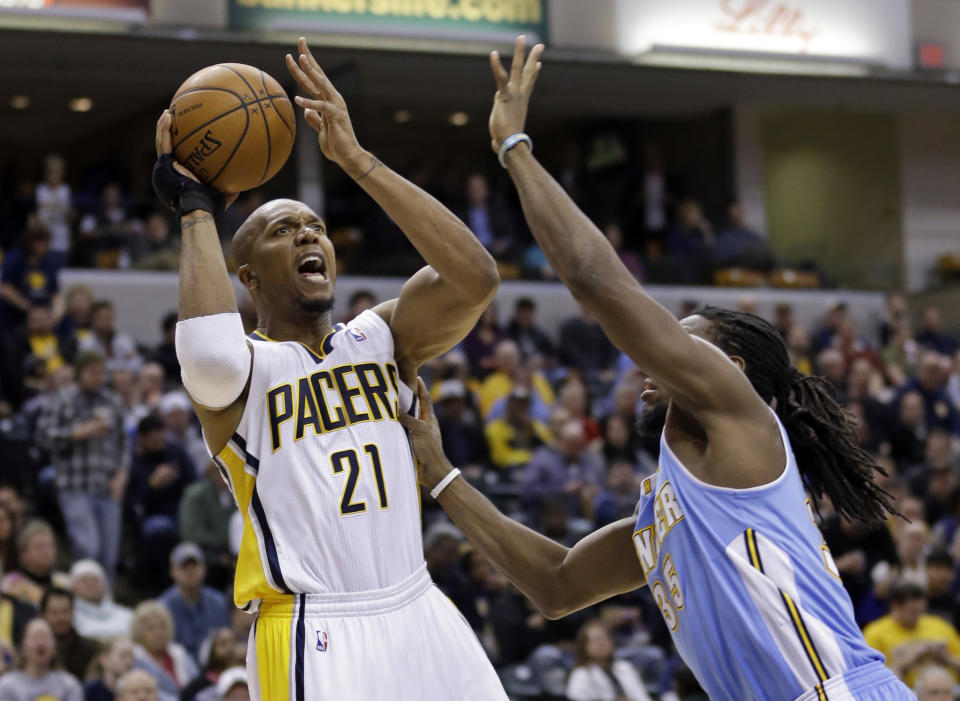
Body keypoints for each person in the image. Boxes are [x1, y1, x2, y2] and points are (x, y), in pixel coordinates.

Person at [397, 36, 914, 701]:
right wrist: (441, 476)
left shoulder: (739, 419)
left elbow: (596, 281)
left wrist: (513, 149)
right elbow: (556, 584)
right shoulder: (668, 512)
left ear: (725, 366)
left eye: (683, 339)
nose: (653, 352)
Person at [150, 36, 506, 701]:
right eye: (286, 229)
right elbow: (207, 353)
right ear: (248, 275)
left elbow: (475, 277)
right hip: (314, 625)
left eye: (316, 225)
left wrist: (358, 159)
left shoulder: (379, 337)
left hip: (418, 603)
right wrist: (195, 208)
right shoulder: (245, 369)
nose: (311, 234)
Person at [37, 351, 127, 580]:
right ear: (79, 373)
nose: (98, 377)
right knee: (88, 548)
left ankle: (104, 606)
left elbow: (124, 445)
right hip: (75, 486)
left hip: (107, 488)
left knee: (109, 557)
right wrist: (79, 432)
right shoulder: (62, 399)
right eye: (92, 372)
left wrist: (122, 476)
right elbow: (43, 436)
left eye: (101, 372)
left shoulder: (113, 401)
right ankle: (81, 604)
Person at [864, 582, 960, 687]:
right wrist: (910, 658)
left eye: (921, 610)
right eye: (913, 611)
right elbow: (869, 678)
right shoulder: (875, 633)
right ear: (895, 607)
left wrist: (946, 658)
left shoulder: (940, 626)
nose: (918, 616)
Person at [157, 543, 230, 662]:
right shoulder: (162, 608)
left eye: (194, 565)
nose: (190, 571)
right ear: (172, 571)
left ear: (204, 568)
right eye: (184, 566)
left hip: (216, 667)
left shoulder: (219, 602)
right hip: (180, 670)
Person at [566, 619, 652, 701]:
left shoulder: (625, 667)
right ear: (584, 646)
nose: (601, 643)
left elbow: (643, 697)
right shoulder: (580, 674)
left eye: (605, 638)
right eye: (595, 639)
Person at [0, 618, 82, 701]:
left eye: (45, 638)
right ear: (23, 647)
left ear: (54, 647)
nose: (40, 643)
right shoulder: (7, 685)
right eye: (34, 638)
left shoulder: (69, 685)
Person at [130, 601, 196, 699]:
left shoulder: (180, 654)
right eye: (151, 628)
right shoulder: (134, 661)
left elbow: (197, 685)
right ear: (139, 632)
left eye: (162, 626)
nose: (158, 633)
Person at [40, 587, 100, 682]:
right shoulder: (34, 649)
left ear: (73, 612)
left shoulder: (91, 648)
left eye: (65, 611)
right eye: (54, 613)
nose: (61, 618)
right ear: (43, 615)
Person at [69, 559, 133, 642]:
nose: (90, 584)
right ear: (73, 587)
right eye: (84, 580)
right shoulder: (69, 617)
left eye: (95, 580)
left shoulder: (127, 615)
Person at [84, 636, 136, 701]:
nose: (129, 661)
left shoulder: (139, 688)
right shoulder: (91, 690)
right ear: (104, 659)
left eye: (131, 656)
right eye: (123, 655)